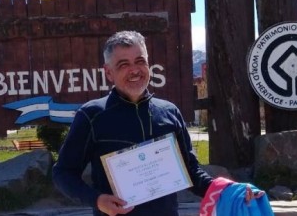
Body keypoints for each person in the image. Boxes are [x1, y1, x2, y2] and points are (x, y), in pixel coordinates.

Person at [52, 30, 266, 215]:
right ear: (109, 72)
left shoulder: (169, 112)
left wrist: (232, 192)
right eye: (123, 64)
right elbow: (63, 173)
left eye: (140, 61)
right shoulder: (92, 115)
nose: (134, 70)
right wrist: (97, 200)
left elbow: (191, 172)